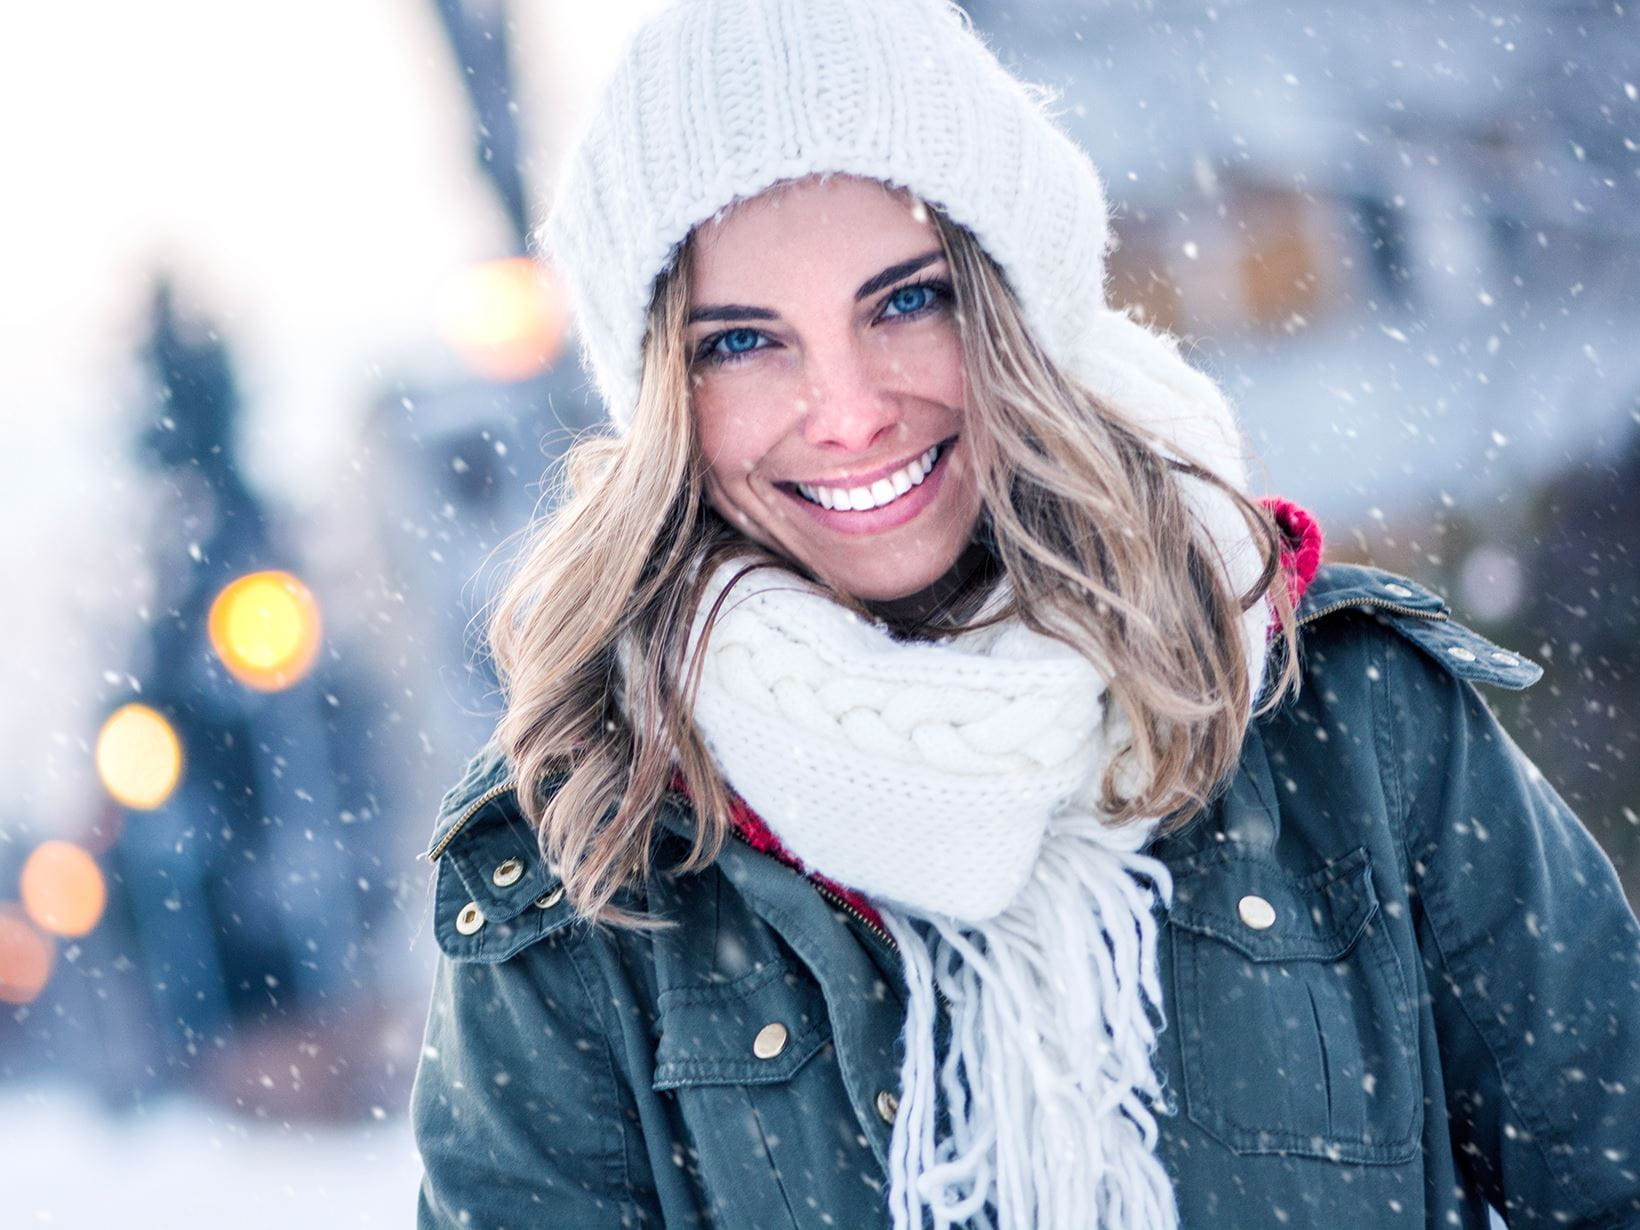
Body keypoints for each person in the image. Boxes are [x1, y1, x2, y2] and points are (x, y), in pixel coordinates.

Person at [409, 1, 1640, 1226]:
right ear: (662, 398)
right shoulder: (584, 866)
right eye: (740, 342)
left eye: (904, 302)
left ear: (1015, 303)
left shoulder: (1343, 725)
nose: (845, 412)